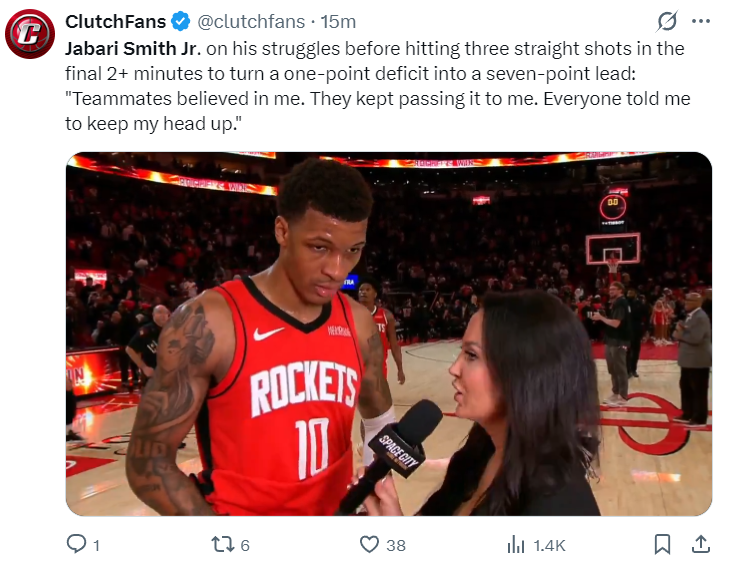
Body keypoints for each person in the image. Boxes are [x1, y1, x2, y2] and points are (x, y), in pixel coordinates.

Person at [126, 158, 395, 516]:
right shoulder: (209, 321)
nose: (337, 270)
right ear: (282, 231)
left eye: (353, 251)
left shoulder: (358, 323)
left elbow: (379, 420)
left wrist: (373, 489)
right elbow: (148, 462)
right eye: (319, 247)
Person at [354, 291, 600, 516]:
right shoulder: (479, 452)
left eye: (471, 355)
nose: (454, 368)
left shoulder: (560, 506)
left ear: (524, 373)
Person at [672, 293, 712, 428]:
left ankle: (699, 418)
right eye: (686, 299)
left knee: (698, 390)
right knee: (686, 387)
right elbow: (679, 333)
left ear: (698, 302)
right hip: (688, 360)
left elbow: (696, 338)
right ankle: (687, 413)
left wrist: (680, 334)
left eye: (690, 300)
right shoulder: (691, 316)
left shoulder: (701, 317)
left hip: (698, 360)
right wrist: (680, 332)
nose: (686, 302)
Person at [357, 278, 406, 385]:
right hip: (355, 366)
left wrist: (400, 369)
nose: (363, 292)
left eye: (367, 289)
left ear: (375, 294)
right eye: (361, 290)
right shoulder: (350, 314)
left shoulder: (386, 315)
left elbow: (394, 345)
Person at [592, 282, 631, 407]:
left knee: (620, 368)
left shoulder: (621, 303)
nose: (611, 291)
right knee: (613, 368)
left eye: (614, 289)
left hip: (619, 340)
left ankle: (623, 396)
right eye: (610, 289)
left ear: (621, 290)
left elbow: (616, 323)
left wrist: (601, 318)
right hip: (611, 339)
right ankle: (616, 392)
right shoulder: (615, 303)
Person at [125, 305, 171, 387]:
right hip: (154, 376)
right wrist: (144, 367)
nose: (163, 315)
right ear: (153, 315)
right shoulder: (146, 331)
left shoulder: (173, 330)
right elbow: (129, 349)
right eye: (159, 312)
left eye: (165, 313)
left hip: (172, 376)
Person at [625, 289, 644, 378]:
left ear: (635, 294)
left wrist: (645, 330)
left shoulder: (640, 304)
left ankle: (633, 369)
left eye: (631, 293)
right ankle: (627, 370)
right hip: (626, 331)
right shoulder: (624, 303)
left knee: (636, 351)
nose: (629, 294)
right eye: (628, 293)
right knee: (627, 351)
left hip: (637, 331)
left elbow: (645, 316)